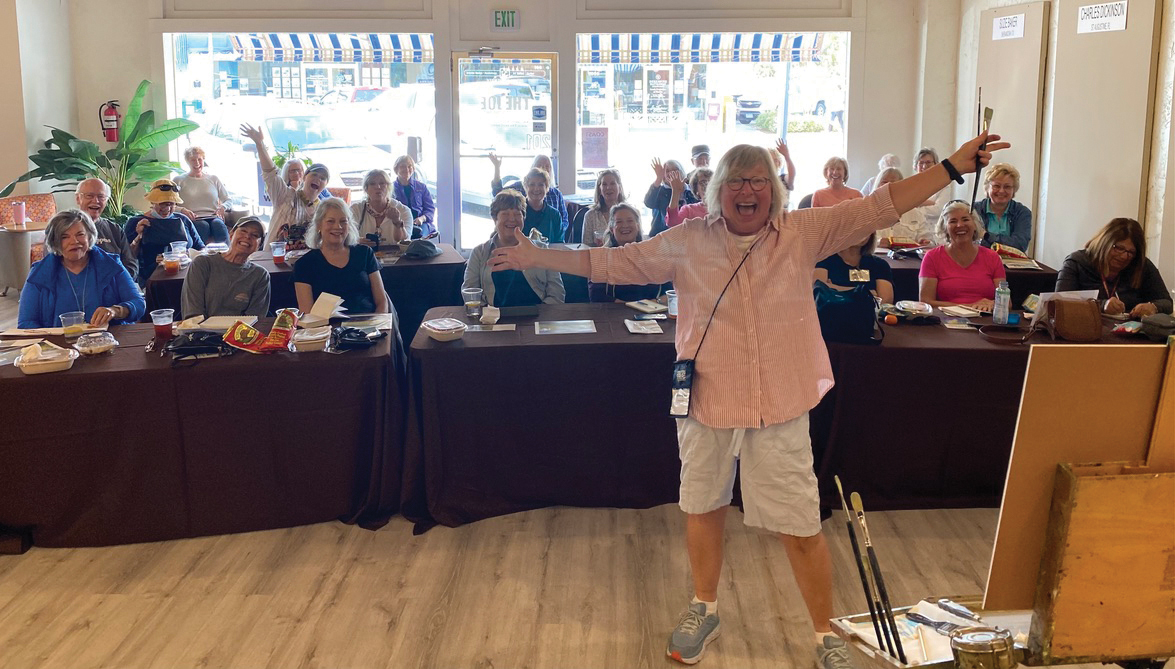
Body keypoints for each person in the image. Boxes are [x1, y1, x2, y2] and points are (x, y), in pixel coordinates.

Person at [488, 133, 1008, 669]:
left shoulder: (804, 232)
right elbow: (612, 262)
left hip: (778, 403)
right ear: (719, 189)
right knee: (702, 505)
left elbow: (882, 204)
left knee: (801, 523)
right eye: (736, 179)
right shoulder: (689, 238)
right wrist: (535, 253)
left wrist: (949, 167)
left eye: (759, 179)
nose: (748, 189)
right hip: (706, 399)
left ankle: (823, 633)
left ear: (774, 189)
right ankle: (704, 607)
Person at [18, 209, 144, 329]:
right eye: (64, 237)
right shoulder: (40, 273)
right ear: (55, 241)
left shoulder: (110, 265)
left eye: (80, 234)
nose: (74, 241)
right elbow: (25, 323)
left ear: (89, 237)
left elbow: (139, 304)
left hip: (108, 340)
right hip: (59, 347)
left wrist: (115, 310)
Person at [464, 191, 564, 307]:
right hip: (493, 320)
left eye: (517, 214)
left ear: (524, 218)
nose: (512, 219)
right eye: (505, 214)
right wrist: (487, 315)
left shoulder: (541, 249)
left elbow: (557, 292)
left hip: (537, 318)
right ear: (495, 218)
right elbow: (470, 292)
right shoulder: (479, 253)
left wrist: (543, 315)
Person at [1056, 218, 1172, 317]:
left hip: (1129, 336)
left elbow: (1167, 303)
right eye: (1118, 248)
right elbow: (1060, 302)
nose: (1124, 256)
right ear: (1104, 243)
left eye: (1131, 252)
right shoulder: (1076, 262)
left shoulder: (1141, 265)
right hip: (1084, 331)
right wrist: (1102, 305)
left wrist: (1153, 307)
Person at [294, 198, 388, 315]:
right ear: (319, 225)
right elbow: (307, 313)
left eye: (343, 221)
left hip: (369, 328)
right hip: (325, 330)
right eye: (330, 221)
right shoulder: (304, 264)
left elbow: (382, 302)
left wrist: (378, 327)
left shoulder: (365, 254)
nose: (338, 227)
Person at [240, 123, 326, 249]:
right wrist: (259, 144)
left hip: (307, 261)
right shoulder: (285, 195)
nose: (318, 179)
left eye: (323, 178)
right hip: (275, 257)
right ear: (305, 177)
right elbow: (270, 173)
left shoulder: (323, 209)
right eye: (314, 175)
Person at [918, 200, 1007, 311]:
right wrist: (970, 306)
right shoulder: (932, 257)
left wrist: (993, 304)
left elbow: (1006, 302)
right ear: (945, 228)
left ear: (975, 225)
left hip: (985, 322)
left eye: (965, 219)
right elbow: (925, 302)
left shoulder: (992, 257)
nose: (960, 225)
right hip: (946, 322)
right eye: (953, 221)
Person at [180, 216, 271, 318]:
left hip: (239, 333)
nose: (248, 237)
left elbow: (255, 319)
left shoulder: (260, 275)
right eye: (243, 231)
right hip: (201, 332)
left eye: (255, 235)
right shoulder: (202, 264)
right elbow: (193, 313)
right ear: (231, 234)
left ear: (259, 245)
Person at [124, 179, 206, 285]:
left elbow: (201, 247)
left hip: (185, 274)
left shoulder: (183, 219)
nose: (167, 208)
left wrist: (188, 255)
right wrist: (139, 236)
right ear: (153, 202)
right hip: (152, 278)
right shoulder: (136, 222)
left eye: (171, 204)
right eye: (162, 204)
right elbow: (127, 257)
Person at [587, 203, 663, 303]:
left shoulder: (653, 254)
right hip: (614, 313)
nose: (625, 225)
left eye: (630, 221)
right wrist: (631, 307)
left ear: (638, 226)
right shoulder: (602, 258)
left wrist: (653, 304)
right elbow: (596, 295)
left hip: (653, 312)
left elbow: (669, 292)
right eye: (619, 222)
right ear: (611, 229)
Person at [489, 153, 569, 235]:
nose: (543, 168)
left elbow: (564, 219)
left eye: (547, 166)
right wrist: (497, 168)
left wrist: (557, 230)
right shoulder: (519, 188)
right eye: (540, 165)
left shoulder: (556, 194)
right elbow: (498, 193)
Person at [74, 178, 137, 278]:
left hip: (116, 288)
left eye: (101, 197)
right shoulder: (64, 229)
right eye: (89, 196)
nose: (95, 201)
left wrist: (118, 283)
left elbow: (131, 264)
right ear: (78, 198)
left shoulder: (114, 229)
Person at [815, 232, 895, 304]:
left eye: (868, 229)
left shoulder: (879, 264)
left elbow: (886, 301)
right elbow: (818, 291)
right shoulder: (823, 260)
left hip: (868, 316)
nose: (863, 233)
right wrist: (865, 293)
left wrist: (834, 288)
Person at [174, 146, 230, 244]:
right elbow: (170, 205)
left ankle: (227, 255)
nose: (197, 163)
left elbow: (228, 200)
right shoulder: (179, 180)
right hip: (192, 218)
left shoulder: (213, 179)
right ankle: (198, 256)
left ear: (203, 160)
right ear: (187, 162)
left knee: (218, 225)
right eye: (193, 160)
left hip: (213, 216)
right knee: (203, 226)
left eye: (199, 159)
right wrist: (182, 210)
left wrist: (223, 207)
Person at [973, 163, 1032, 252]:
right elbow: (973, 242)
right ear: (987, 188)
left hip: (1012, 263)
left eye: (1007, 187)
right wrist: (1007, 243)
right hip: (980, 260)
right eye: (996, 186)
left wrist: (986, 236)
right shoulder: (974, 210)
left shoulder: (1022, 212)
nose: (1001, 191)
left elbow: (1020, 245)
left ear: (1014, 190)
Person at [351, 169, 412, 248]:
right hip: (364, 257)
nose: (378, 187)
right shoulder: (355, 210)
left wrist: (397, 222)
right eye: (372, 184)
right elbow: (345, 238)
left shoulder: (403, 210)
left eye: (382, 183)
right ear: (366, 189)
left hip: (397, 258)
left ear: (389, 187)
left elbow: (405, 242)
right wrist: (357, 241)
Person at [875, 168, 934, 247]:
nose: (888, 186)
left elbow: (929, 240)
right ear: (877, 185)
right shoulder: (869, 212)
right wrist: (878, 242)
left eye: (894, 183)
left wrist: (925, 242)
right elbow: (859, 240)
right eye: (884, 182)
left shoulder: (916, 214)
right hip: (877, 257)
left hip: (909, 258)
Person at [646, 159, 698, 236]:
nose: (671, 173)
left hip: (690, 236)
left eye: (675, 170)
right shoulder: (660, 190)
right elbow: (649, 203)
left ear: (682, 172)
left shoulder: (692, 190)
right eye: (667, 171)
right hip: (664, 237)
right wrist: (658, 178)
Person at [391, 155, 436, 238]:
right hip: (399, 224)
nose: (407, 169)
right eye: (403, 167)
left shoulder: (421, 187)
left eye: (409, 166)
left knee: (420, 236)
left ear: (413, 169)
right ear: (396, 169)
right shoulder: (390, 188)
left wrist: (422, 219)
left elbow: (430, 209)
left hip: (421, 223)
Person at [582, 169, 626, 247]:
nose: (608, 187)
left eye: (612, 183)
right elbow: (586, 247)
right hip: (598, 257)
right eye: (604, 184)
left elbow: (636, 242)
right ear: (599, 189)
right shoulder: (590, 216)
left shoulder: (629, 213)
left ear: (619, 187)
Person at [912, 148, 952, 232]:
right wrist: (929, 203)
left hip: (934, 231)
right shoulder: (910, 186)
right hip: (913, 230)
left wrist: (917, 204)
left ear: (936, 165)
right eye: (921, 163)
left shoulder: (943, 186)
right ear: (916, 166)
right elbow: (906, 210)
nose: (924, 166)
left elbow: (938, 210)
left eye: (928, 162)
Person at [521, 167, 564, 243]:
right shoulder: (519, 212)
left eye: (541, 185)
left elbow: (560, 243)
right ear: (526, 187)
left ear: (547, 188)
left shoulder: (555, 215)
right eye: (532, 184)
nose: (536, 189)